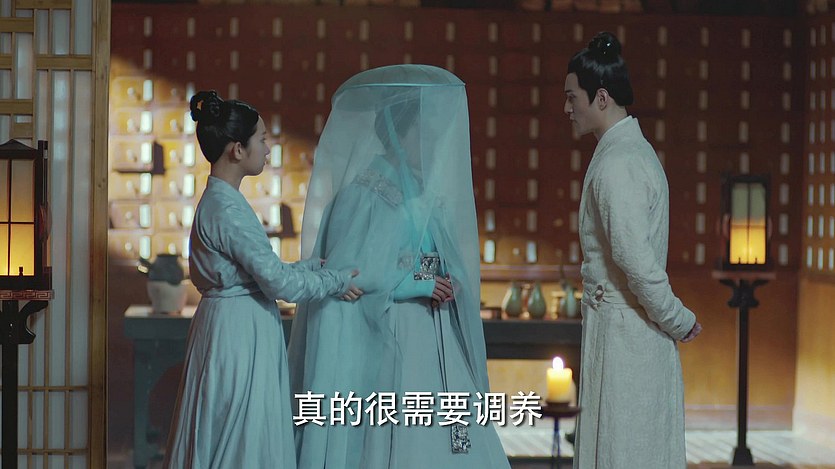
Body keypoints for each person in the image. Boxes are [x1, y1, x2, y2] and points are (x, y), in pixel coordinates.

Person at [287, 64, 510, 469]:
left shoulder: (422, 192)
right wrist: (417, 283)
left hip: (436, 329)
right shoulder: (365, 192)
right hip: (395, 331)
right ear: (398, 132)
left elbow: (435, 254)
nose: (431, 142)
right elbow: (348, 274)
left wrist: (450, 280)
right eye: (422, 131)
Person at [163, 90, 363, 469]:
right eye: (262, 140)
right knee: (241, 431)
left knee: (233, 429)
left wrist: (309, 268)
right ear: (237, 150)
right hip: (238, 333)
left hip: (234, 325)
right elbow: (278, 284)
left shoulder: (224, 202)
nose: (268, 150)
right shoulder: (227, 209)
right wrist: (334, 281)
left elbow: (259, 272)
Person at [564, 32, 703, 469]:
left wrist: (678, 318)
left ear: (601, 98)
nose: (567, 108)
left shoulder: (620, 161)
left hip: (628, 339)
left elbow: (636, 263)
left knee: (625, 452)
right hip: (624, 331)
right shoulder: (621, 152)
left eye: (572, 97)